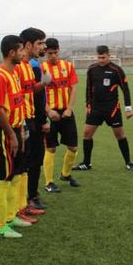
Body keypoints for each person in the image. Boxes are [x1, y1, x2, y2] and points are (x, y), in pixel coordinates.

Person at [73, 45, 133, 172]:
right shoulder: (92, 69)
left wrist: (128, 107)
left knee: (119, 135)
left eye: (103, 57)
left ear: (109, 56)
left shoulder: (116, 70)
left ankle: (128, 162)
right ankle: (86, 163)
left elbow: (125, 89)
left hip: (112, 108)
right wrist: (88, 105)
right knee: (86, 134)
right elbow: (88, 88)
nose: (101, 60)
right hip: (95, 108)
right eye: (99, 57)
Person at [0, 35, 30, 238]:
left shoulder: (14, 73)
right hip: (4, 131)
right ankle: (0, 227)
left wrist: (21, 129)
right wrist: (10, 135)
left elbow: (17, 103)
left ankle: (10, 215)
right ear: (12, 53)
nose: (23, 53)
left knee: (15, 174)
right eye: (21, 50)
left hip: (16, 130)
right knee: (3, 177)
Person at [17, 27, 50, 214]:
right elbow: (23, 97)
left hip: (32, 119)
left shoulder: (31, 65)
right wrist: (41, 120)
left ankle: (31, 197)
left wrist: (42, 84)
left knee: (34, 159)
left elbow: (32, 92)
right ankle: (27, 200)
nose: (43, 46)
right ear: (28, 45)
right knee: (27, 162)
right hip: (26, 120)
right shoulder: (24, 66)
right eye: (40, 43)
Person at [41, 38, 80, 190]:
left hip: (66, 111)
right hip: (49, 113)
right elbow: (37, 94)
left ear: (59, 51)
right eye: (49, 53)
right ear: (45, 53)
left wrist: (69, 108)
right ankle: (49, 182)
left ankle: (65, 174)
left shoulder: (68, 66)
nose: (52, 56)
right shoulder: (41, 68)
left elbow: (73, 89)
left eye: (55, 52)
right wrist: (49, 110)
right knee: (51, 148)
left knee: (73, 147)